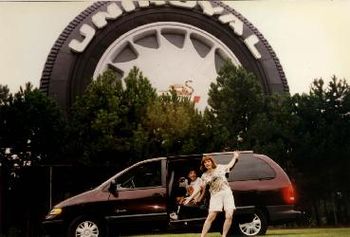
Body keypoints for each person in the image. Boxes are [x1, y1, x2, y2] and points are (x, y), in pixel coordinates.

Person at [196, 151, 239, 237]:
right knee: (211, 216)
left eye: (208, 161)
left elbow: (230, 165)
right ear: (204, 165)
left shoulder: (220, 167)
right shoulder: (204, 175)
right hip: (215, 195)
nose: (207, 163)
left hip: (227, 193)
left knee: (229, 215)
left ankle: (224, 236)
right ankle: (202, 236)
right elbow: (201, 187)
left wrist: (235, 157)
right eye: (205, 162)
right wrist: (191, 197)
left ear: (212, 162)